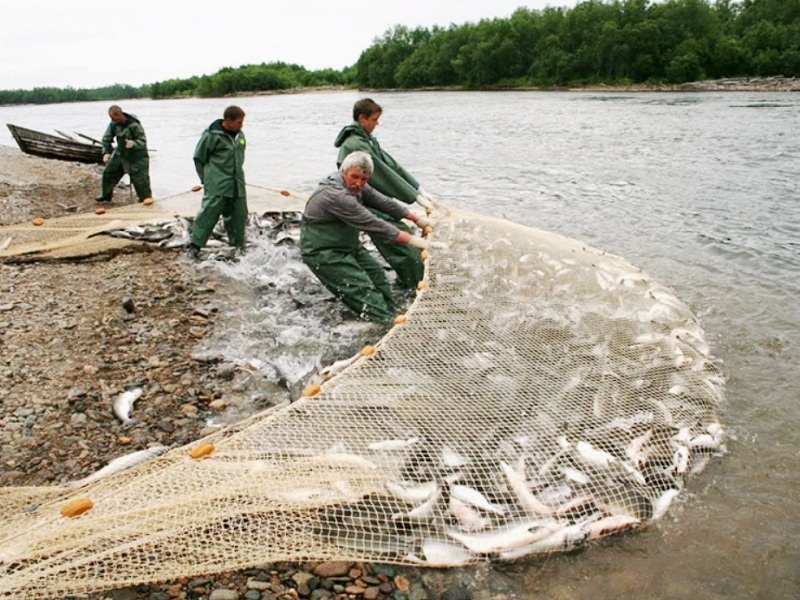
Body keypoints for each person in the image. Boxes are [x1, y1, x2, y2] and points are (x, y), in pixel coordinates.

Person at [300, 151, 431, 324]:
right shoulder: (337, 195)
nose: (358, 183)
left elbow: (384, 202)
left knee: (378, 277)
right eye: (354, 177)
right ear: (343, 172)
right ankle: (387, 322)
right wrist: (418, 242)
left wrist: (417, 219)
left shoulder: (359, 185)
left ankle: (390, 310)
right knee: (360, 288)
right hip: (323, 251)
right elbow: (375, 225)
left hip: (347, 244)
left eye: (364, 179)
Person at [334, 98, 438, 289]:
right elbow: (382, 173)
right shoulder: (355, 144)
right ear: (362, 118)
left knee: (402, 234)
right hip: (359, 201)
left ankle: (410, 278)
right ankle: (417, 284)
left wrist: (417, 188)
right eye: (374, 119)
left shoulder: (367, 140)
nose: (377, 124)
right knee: (397, 240)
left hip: (372, 198)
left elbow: (392, 165)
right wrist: (414, 197)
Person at [187, 106, 247, 259]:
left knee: (239, 215)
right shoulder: (211, 135)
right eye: (239, 122)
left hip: (237, 184)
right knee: (208, 214)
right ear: (228, 121)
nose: (242, 125)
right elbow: (198, 158)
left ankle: (237, 246)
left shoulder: (240, 135)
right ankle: (195, 246)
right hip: (217, 184)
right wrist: (206, 180)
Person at [96, 105, 152, 203]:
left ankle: (145, 198)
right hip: (120, 154)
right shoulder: (113, 124)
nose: (113, 120)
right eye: (111, 118)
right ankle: (106, 195)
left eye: (114, 118)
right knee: (108, 173)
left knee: (141, 180)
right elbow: (106, 138)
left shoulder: (134, 125)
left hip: (137, 156)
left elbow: (142, 141)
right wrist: (106, 152)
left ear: (120, 114)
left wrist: (134, 143)